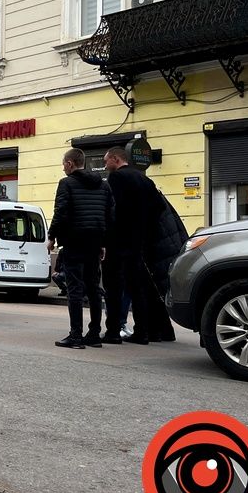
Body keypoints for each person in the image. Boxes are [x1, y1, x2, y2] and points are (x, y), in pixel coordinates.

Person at [103, 147, 176, 344]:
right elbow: (159, 208)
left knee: (117, 287)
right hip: (143, 242)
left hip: (121, 242)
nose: (105, 165)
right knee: (140, 288)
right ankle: (146, 331)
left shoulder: (117, 179)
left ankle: (117, 331)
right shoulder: (145, 179)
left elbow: (113, 210)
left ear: (116, 159)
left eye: (106, 161)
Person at [47, 149, 114, 349]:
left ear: (70, 163)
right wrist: (103, 242)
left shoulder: (66, 183)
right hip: (94, 242)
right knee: (93, 288)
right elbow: (110, 215)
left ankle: (75, 335)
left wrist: (51, 237)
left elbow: (61, 212)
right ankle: (94, 333)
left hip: (74, 241)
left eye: (64, 163)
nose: (63, 167)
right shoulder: (103, 186)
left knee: (75, 289)